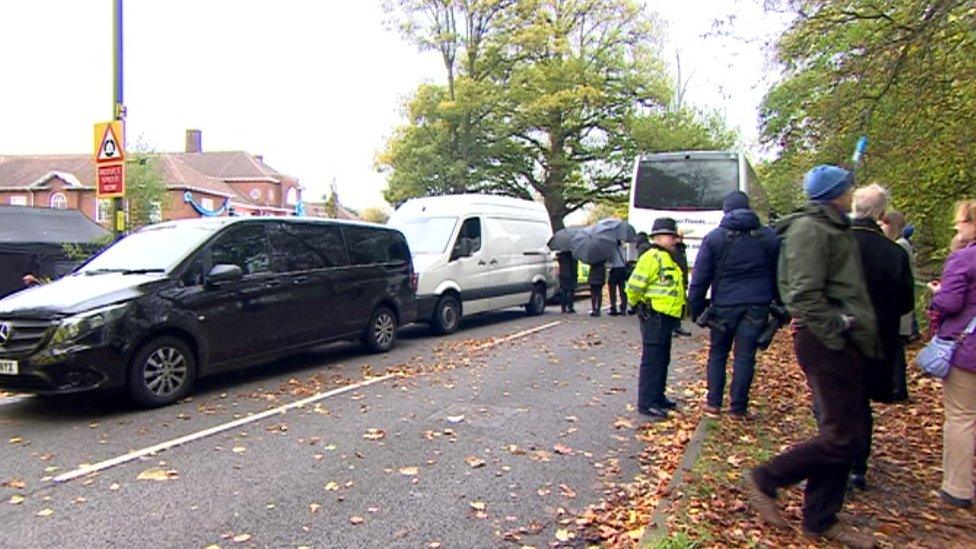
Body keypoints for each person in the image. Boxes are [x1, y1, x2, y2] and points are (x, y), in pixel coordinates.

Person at [745, 165, 880, 549]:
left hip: (840, 341)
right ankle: (766, 479)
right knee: (843, 435)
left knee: (847, 434)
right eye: (847, 188)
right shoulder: (810, 228)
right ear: (836, 192)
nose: (851, 192)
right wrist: (837, 327)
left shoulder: (833, 225)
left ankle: (821, 518)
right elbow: (803, 293)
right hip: (826, 342)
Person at [689, 191, 780, 418]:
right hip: (757, 305)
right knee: (745, 355)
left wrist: (697, 308)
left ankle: (713, 403)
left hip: (723, 305)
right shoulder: (768, 237)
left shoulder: (715, 238)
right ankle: (738, 408)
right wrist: (778, 305)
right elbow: (779, 274)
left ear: (726, 210)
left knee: (718, 352)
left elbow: (700, 277)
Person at [848, 185, 914, 490]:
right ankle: (858, 465)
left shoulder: (839, 243)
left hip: (841, 333)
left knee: (837, 398)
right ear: (882, 214)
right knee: (861, 403)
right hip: (877, 337)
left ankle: (837, 457)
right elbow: (905, 304)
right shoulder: (895, 253)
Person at [927, 199, 976, 509]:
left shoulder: (964, 259)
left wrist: (938, 293)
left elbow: (949, 303)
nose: (957, 227)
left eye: (960, 221)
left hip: (968, 348)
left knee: (961, 416)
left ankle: (957, 488)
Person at [625, 218, 686, 419]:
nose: (675, 240)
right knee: (653, 360)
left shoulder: (668, 257)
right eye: (672, 236)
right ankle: (647, 402)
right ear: (658, 237)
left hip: (666, 316)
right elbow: (633, 286)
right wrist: (638, 305)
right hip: (653, 316)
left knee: (662, 358)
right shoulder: (651, 257)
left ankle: (658, 397)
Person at [879, 209, 916, 400]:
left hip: (898, 310)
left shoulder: (900, 246)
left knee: (896, 351)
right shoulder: (901, 245)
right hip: (898, 308)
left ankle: (897, 389)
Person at [672, 231, 693, 336]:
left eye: (681, 237)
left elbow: (683, 266)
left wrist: (685, 281)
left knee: (680, 304)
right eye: (678, 237)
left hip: (681, 279)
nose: (679, 239)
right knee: (672, 305)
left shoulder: (681, 249)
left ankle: (677, 325)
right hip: (673, 281)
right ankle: (672, 327)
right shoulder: (673, 250)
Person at [607, 243, 628, 316]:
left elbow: (609, 260)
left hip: (614, 270)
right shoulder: (624, 248)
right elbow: (626, 259)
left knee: (612, 290)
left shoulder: (611, 249)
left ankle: (613, 308)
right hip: (622, 269)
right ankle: (623, 308)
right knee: (623, 290)